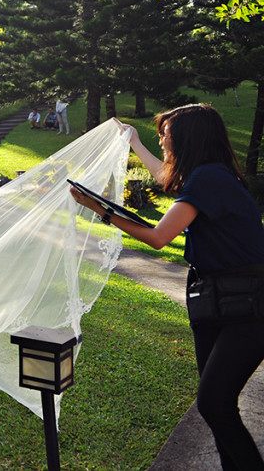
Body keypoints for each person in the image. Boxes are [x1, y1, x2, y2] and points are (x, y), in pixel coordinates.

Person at [70, 104, 264, 470]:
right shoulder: (210, 176)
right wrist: (133, 141)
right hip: (220, 301)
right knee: (218, 404)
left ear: (189, 138)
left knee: (214, 403)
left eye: (166, 134)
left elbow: (159, 237)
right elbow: (166, 178)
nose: (161, 139)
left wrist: (102, 210)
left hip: (247, 306)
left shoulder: (209, 179)